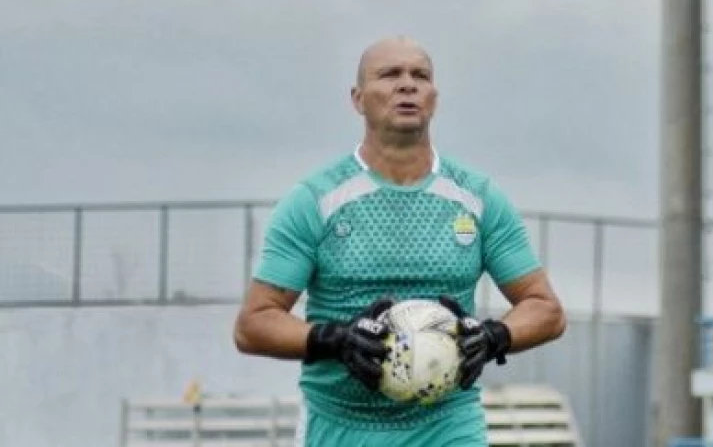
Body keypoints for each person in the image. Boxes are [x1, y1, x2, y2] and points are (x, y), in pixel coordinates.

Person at [233, 36, 568, 446]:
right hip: (340, 426)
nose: (407, 85)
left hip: (447, 427)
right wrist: (336, 340)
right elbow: (253, 324)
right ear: (357, 99)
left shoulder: (478, 198)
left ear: (434, 98)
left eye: (420, 76)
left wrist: (495, 335)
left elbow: (545, 309)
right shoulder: (313, 201)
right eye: (390, 74)